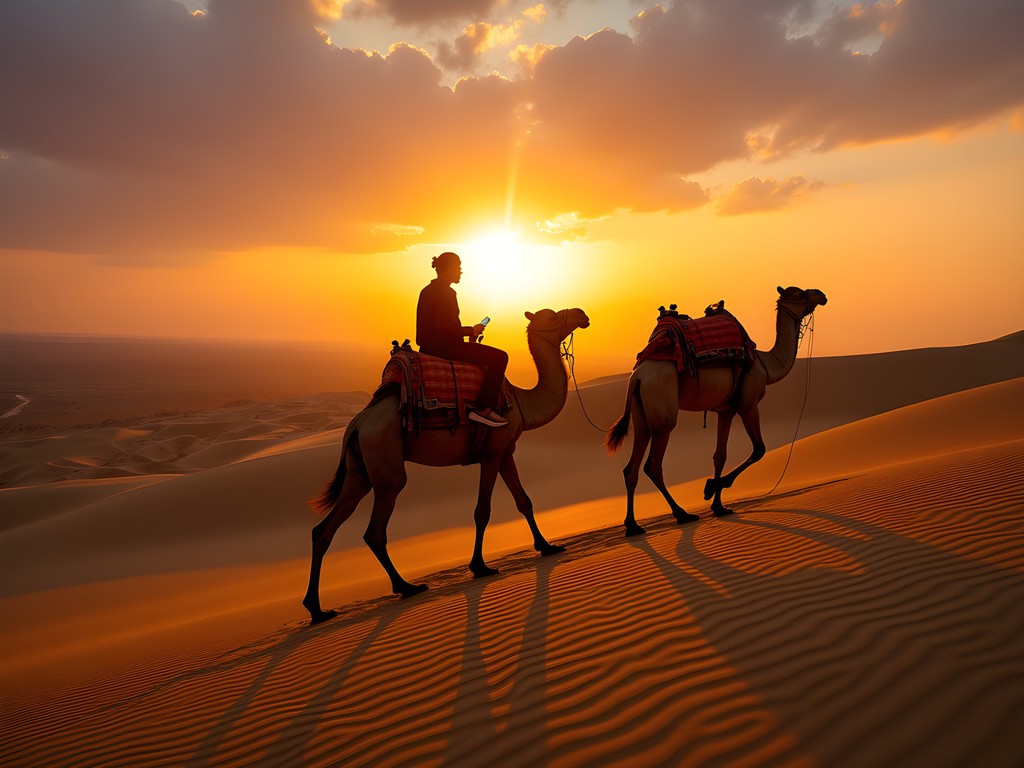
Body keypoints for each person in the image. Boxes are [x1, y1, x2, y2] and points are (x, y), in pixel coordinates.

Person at [416, 251, 509, 427]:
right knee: (500, 357)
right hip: (444, 348)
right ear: (449, 269)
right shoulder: (447, 292)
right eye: (458, 268)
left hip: (428, 347)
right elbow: (444, 327)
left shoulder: (427, 291)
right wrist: (471, 330)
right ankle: (483, 408)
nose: (461, 272)